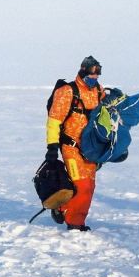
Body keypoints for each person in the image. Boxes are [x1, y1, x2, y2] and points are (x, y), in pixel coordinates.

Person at [45, 56, 105, 231]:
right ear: (83, 71)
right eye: (91, 76)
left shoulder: (98, 91)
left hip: (91, 148)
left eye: (97, 77)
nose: (94, 79)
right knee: (82, 185)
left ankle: (66, 210)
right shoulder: (67, 91)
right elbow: (54, 121)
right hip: (70, 147)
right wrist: (52, 147)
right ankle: (74, 223)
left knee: (89, 187)